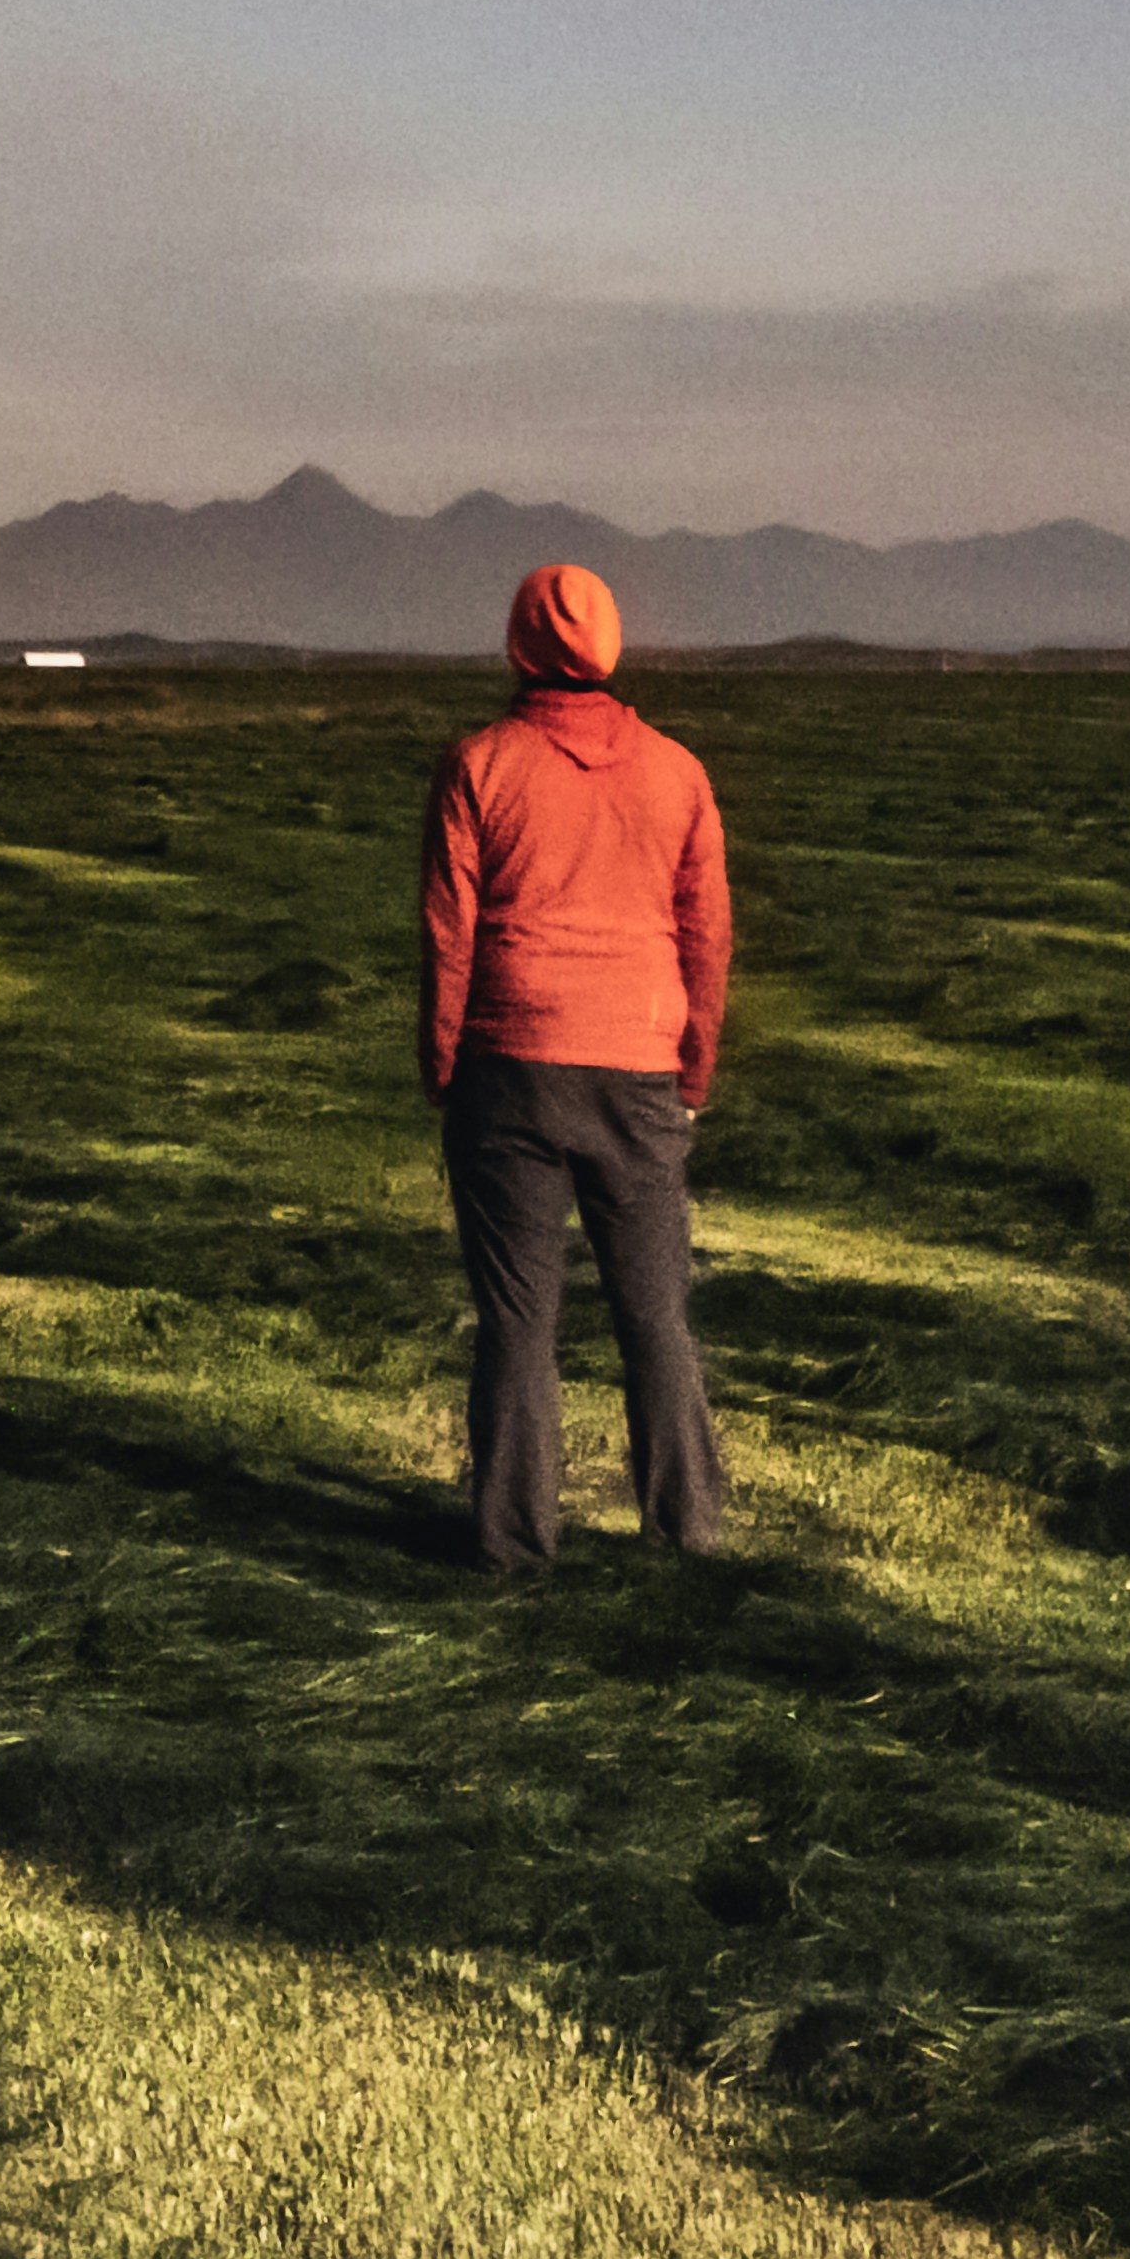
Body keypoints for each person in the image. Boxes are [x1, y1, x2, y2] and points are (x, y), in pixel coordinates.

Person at [421, 559, 730, 1567]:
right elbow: (705, 938)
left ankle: (511, 1544)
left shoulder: (477, 765)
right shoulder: (676, 772)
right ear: (611, 646)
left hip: (506, 1064)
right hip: (637, 1070)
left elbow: (447, 937)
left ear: (518, 641)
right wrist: (690, 1076)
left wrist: (444, 1066)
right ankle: (684, 1532)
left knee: (515, 1319)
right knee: (654, 1316)